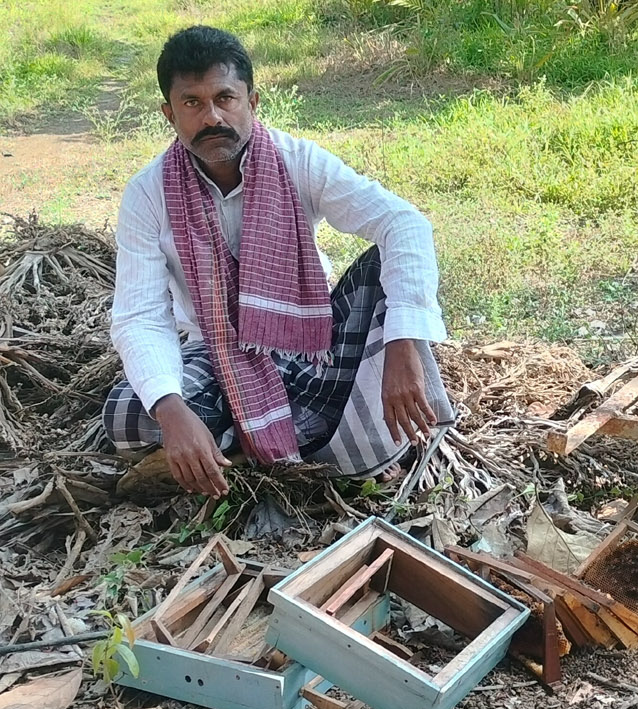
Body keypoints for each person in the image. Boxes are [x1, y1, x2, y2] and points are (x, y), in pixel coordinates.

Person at [103, 25, 453, 498]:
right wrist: (172, 412)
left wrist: (403, 345)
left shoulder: (297, 161)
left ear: (252, 101)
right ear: (170, 113)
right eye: (192, 103)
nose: (212, 117)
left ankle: (244, 445)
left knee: (383, 274)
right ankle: (301, 439)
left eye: (225, 98)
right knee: (128, 413)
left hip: (311, 347)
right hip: (216, 353)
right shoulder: (149, 194)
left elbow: (403, 223)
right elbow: (140, 315)